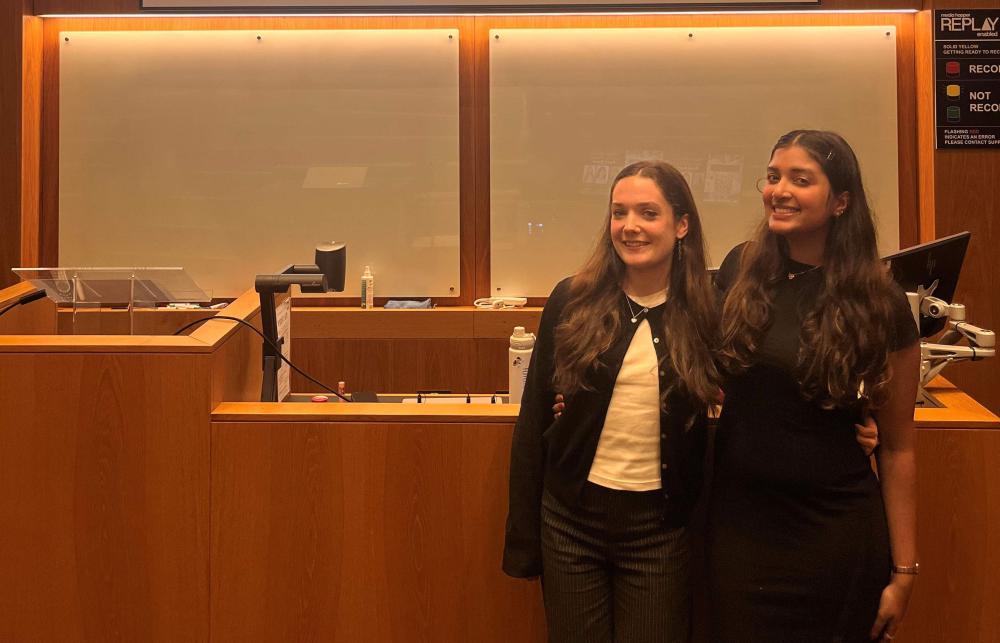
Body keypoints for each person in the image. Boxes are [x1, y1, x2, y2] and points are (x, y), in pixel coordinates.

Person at [710, 130, 919, 643]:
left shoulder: (879, 302)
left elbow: (897, 450)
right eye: (774, 175)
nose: (779, 190)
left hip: (833, 538)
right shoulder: (740, 270)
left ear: (841, 201)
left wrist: (905, 572)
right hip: (739, 533)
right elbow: (706, 373)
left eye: (800, 180)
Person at [502, 160, 721, 643]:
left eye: (648, 213)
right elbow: (534, 422)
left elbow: (755, 401)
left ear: (681, 225)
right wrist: (523, 543)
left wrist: (861, 427)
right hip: (570, 524)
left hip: (659, 531)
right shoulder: (572, 299)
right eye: (619, 213)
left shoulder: (709, 309)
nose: (630, 226)